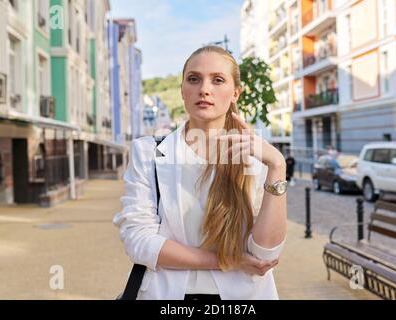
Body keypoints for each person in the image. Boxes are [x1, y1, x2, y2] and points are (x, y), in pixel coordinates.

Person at [113, 46, 287, 300]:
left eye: (218, 80)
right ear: (182, 90)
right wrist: (230, 261)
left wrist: (277, 166)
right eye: (194, 79)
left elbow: (265, 255)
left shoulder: (257, 157)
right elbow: (139, 241)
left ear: (235, 93)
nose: (204, 89)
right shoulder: (147, 152)